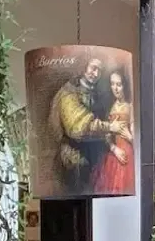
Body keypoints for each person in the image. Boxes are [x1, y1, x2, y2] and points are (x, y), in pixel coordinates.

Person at [47, 58, 128, 194]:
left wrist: (113, 147)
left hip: (92, 160)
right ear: (84, 67)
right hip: (73, 159)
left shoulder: (94, 94)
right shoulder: (69, 93)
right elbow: (78, 128)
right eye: (93, 68)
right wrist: (110, 127)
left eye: (99, 71)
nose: (95, 73)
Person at [91, 68, 134, 194]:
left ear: (124, 85)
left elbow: (136, 137)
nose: (115, 88)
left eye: (119, 85)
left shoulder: (130, 106)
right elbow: (106, 136)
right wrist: (114, 148)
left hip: (127, 154)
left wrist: (130, 137)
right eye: (112, 84)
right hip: (114, 154)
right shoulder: (110, 106)